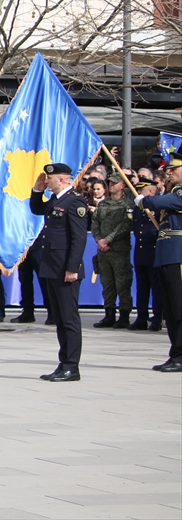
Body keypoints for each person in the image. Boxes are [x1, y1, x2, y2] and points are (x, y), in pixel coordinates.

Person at [30, 163, 89, 382]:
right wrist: (37, 191)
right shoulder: (56, 200)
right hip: (52, 267)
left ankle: (72, 366)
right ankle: (63, 362)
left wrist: (72, 268)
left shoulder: (75, 201)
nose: (48, 181)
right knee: (59, 319)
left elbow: (79, 238)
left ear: (62, 179)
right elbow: (37, 209)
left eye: (50, 178)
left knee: (69, 318)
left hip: (65, 268)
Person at [135, 157, 182, 372]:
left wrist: (145, 201)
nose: (169, 172)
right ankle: (176, 353)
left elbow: (165, 202)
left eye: (174, 169)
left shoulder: (178, 194)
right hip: (166, 255)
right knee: (170, 310)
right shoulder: (172, 193)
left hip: (178, 256)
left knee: (179, 308)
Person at [91, 178, 134, 329]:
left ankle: (124, 315)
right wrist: (99, 240)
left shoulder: (127, 204)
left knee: (122, 283)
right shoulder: (103, 204)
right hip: (103, 251)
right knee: (107, 284)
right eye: (110, 183)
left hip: (119, 250)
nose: (111, 185)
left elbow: (125, 226)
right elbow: (95, 223)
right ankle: (109, 314)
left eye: (115, 183)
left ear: (122, 185)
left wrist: (108, 240)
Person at [130, 180, 160, 331]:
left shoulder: (158, 207)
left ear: (150, 192)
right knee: (142, 288)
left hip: (154, 252)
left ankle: (157, 319)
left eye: (142, 190)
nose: (138, 193)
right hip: (141, 252)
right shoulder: (138, 209)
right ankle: (141, 317)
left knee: (156, 288)